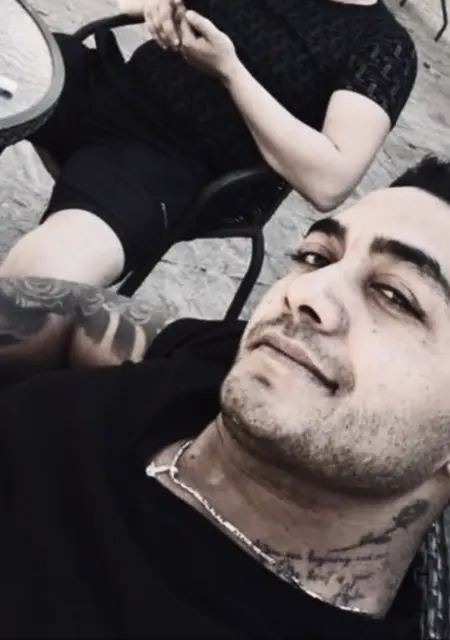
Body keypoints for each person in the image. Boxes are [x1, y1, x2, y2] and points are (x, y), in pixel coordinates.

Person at [0, 154, 450, 638]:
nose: (306, 292)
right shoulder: (246, 361)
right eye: (316, 256)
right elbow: (75, 319)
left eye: (395, 296)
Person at [0, 0, 417, 288]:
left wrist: (230, 72)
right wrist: (158, 7)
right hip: (108, 83)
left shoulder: (383, 46)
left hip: (167, 166)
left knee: (33, 285)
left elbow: (330, 180)